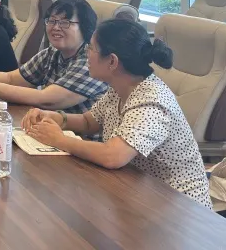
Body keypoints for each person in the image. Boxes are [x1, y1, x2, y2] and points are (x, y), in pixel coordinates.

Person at [23, 19, 212, 208]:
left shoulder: (152, 101)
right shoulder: (121, 86)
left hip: (180, 208)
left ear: (112, 61)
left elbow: (113, 156)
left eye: (91, 48)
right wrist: (58, 118)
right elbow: (89, 121)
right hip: (138, 191)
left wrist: (59, 140)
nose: (86, 53)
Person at [0, 0, 107, 111]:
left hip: (81, 139)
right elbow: (13, 78)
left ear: (85, 28)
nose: (55, 27)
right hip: (51, 128)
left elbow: (48, 99)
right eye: (52, 21)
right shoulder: (52, 53)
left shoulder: (90, 61)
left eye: (65, 22)